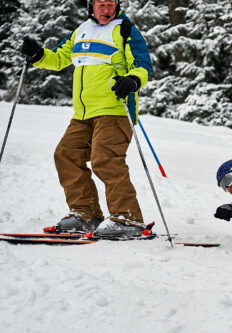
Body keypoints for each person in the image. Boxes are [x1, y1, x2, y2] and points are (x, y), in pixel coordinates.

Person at [20, 0, 153, 238]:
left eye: (111, 4)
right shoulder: (81, 31)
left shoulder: (125, 30)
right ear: (91, 6)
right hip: (83, 114)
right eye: (101, 4)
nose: (106, 9)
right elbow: (60, 57)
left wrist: (132, 79)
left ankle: (129, 220)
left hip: (114, 110)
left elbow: (143, 64)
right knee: (66, 154)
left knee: (105, 159)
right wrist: (38, 55)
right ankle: (86, 214)